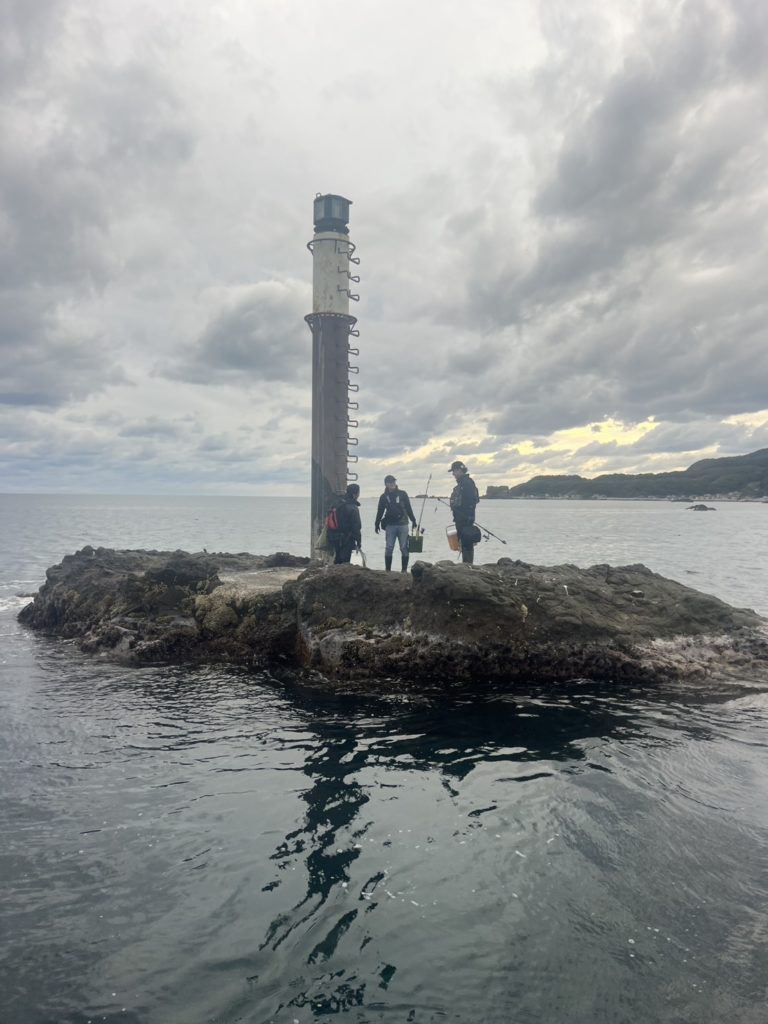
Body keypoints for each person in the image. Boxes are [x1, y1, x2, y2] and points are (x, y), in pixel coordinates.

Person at [374, 474, 417, 572]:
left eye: (393, 481)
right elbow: (380, 511)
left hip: (403, 525)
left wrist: (413, 520)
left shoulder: (403, 494)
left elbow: (409, 508)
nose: (392, 483)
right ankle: (388, 570)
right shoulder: (383, 497)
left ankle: (404, 570)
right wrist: (376, 524)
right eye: (390, 482)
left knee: (404, 547)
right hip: (390, 526)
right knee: (389, 547)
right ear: (386, 484)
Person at [449, 460, 480, 564]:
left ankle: (467, 564)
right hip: (460, 518)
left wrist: (469, 516)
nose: (453, 474)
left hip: (465, 519)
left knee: (467, 541)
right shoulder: (463, 483)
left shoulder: (467, 483)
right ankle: (466, 563)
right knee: (464, 541)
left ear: (459, 470)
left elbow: (472, 500)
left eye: (454, 471)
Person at [334, 483, 362, 564]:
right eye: (358, 493)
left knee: (338, 557)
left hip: (335, 536)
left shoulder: (338, 503)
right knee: (346, 559)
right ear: (354, 494)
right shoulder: (353, 507)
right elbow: (356, 526)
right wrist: (359, 542)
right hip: (348, 538)